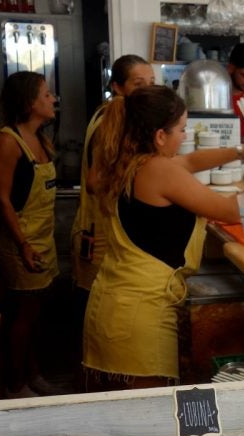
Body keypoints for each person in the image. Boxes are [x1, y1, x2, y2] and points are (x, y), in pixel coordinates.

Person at [83, 85, 244, 391]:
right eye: (181, 130)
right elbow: (230, 209)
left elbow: (192, 161)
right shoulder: (158, 170)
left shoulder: (129, 161)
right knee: (149, 420)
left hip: (114, 303)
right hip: (140, 314)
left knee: (126, 417)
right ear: (159, 136)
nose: (184, 137)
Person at [70, 55, 155, 360]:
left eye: (151, 82)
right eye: (138, 83)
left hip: (96, 227)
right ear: (118, 87)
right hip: (98, 232)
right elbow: (96, 182)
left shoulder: (116, 115)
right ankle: (90, 385)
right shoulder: (113, 119)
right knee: (93, 311)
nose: (147, 89)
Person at [0, 71, 59, 398]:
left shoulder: (42, 138)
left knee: (36, 315)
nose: (53, 99)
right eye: (46, 95)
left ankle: (32, 374)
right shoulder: (8, 141)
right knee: (21, 316)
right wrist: (23, 244)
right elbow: (2, 199)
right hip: (21, 244)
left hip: (43, 240)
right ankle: (14, 385)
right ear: (30, 103)